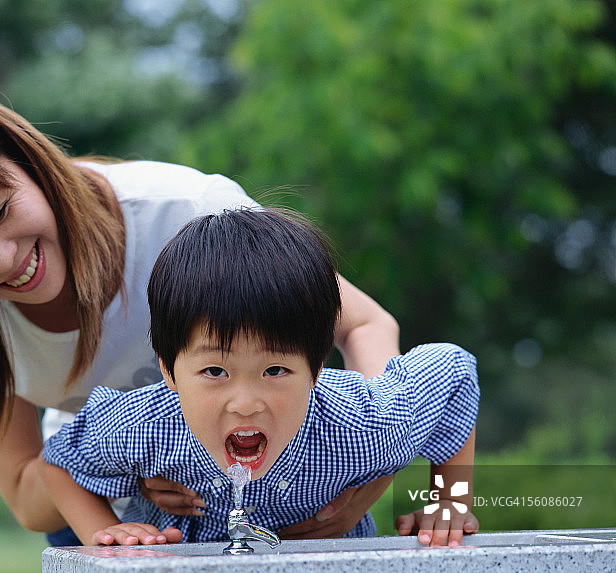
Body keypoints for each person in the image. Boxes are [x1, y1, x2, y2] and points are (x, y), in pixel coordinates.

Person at [0, 82, 400, 544]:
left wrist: (372, 468)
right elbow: (28, 493)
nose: (4, 259)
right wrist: (134, 465)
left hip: (289, 483)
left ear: (27, 158)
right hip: (111, 517)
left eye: (0, 212)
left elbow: (366, 324)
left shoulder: (184, 214)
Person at [40, 208, 480, 548]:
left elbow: (453, 372)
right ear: (169, 370)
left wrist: (450, 502)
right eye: (214, 371)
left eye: (275, 370)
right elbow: (60, 462)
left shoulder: (364, 425)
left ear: (316, 368)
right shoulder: (144, 427)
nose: (245, 402)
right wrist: (107, 534)